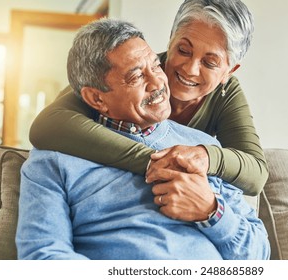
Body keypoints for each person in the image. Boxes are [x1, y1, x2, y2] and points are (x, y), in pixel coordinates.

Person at [16, 18, 270, 260]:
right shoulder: (53, 161)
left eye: (156, 66)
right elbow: (44, 256)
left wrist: (212, 211)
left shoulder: (204, 150)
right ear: (96, 99)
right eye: (136, 77)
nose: (158, 82)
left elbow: (259, 255)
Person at [28, 0, 268, 196]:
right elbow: (46, 126)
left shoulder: (225, 95)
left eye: (210, 62)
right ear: (171, 39)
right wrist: (156, 162)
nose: (190, 69)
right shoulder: (130, 73)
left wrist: (205, 156)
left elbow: (256, 174)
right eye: (183, 50)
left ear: (229, 71)